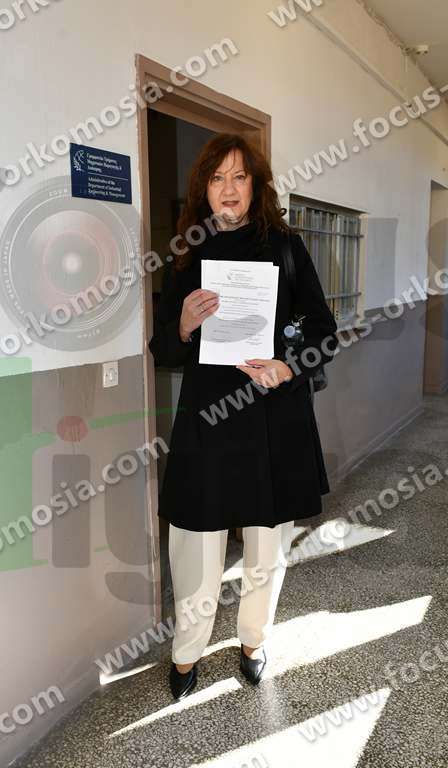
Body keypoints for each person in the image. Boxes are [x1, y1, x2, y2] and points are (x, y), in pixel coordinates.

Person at [148, 133, 339, 700]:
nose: (228, 189)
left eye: (239, 177)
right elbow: (164, 346)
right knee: (194, 545)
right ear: (203, 190)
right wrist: (184, 325)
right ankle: (187, 651)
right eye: (216, 178)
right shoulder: (187, 254)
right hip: (207, 421)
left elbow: (324, 332)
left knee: (265, 548)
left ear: (256, 186)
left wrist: (287, 366)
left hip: (272, 420)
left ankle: (254, 642)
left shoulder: (285, 246)